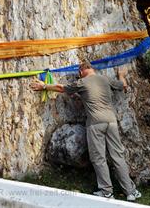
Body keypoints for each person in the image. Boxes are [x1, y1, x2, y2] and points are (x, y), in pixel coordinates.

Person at [30, 61, 141, 201]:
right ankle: (130, 192)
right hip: (111, 122)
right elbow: (123, 85)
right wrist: (121, 75)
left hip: (95, 123)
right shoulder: (105, 79)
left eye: (79, 73)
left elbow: (61, 88)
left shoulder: (82, 82)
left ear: (81, 71)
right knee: (118, 156)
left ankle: (107, 191)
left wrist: (44, 86)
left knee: (99, 158)